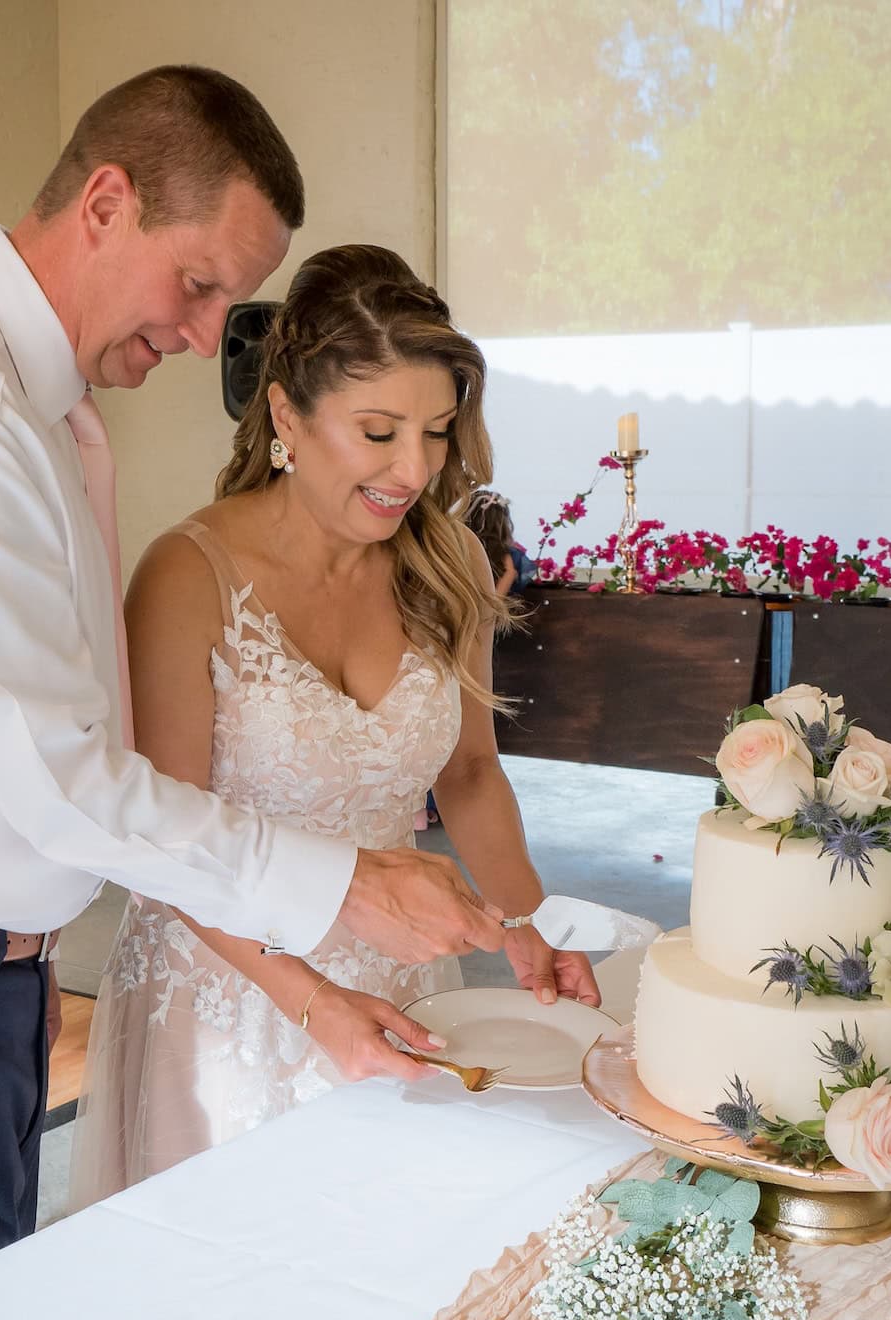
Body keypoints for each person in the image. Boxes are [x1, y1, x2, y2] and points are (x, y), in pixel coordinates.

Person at [0, 67, 504, 1320]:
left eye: (227, 303)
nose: (205, 339)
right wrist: (352, 887)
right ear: (105, 202)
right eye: (196, 285)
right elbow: (66, 785)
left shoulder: (33, 407)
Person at [69, 245, 602, 1205]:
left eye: (436, 433)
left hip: (400, 988)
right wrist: (308, 1004)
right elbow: (164, 836)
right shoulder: (187, 576)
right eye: (378, 430)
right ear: (287, 415)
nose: (414, 469)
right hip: (226, 992)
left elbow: (471, 775)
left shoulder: (451, 572)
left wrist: (525, 922)